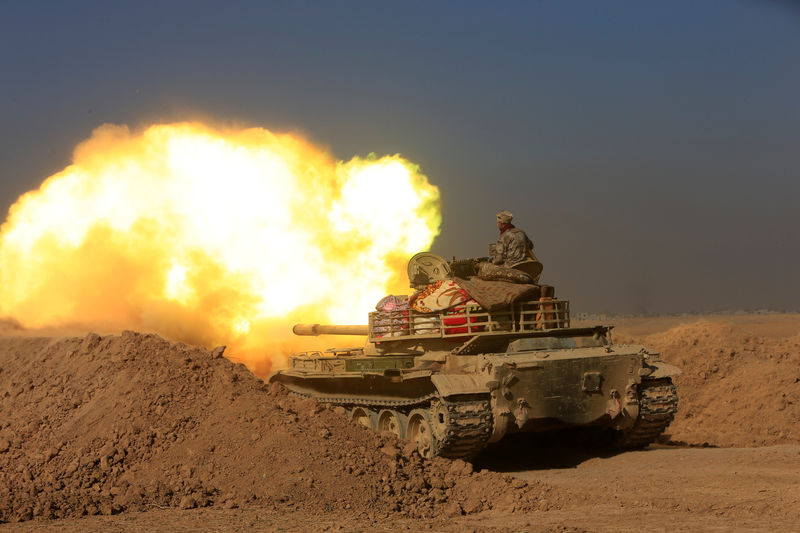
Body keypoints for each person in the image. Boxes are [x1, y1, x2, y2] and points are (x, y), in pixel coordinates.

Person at [488, 210, 542, 283]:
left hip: (512, 265)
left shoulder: (503, 236)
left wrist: (492, 261)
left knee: (488, 267)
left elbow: (498, 260)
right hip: (525, 263)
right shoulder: (521, 232)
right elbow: (530, 245)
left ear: (501, 223)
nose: (497, 224)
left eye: (498, 222)